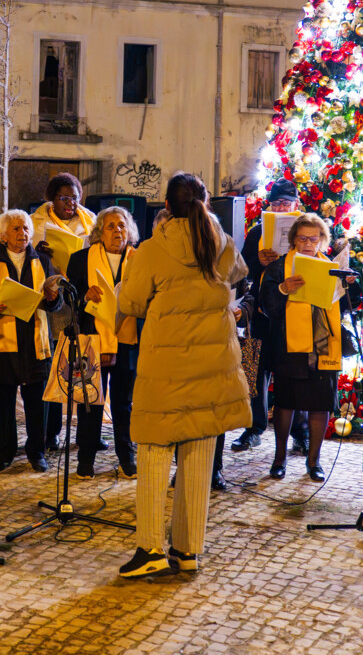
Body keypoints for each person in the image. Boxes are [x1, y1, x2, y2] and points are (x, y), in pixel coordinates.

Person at [117, 172, 249, 578]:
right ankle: (188, 549)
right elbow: (239, 273)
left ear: (166, 207)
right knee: (198, 455)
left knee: (154, 451)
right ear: (205, 203)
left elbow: (132, 302)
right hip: (213, 364)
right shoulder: (221, 242)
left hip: (166, 366)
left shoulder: (153, 248)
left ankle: (150, 548)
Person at [260, 213, 352, 482]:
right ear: (293, 240)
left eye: (314, 239)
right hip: (288, 345)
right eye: (302, 238)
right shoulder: (279, 267)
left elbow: (348, 307)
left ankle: (314, 461)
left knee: (320, 404)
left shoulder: (333, 267)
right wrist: (282, 289)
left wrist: (348, 286)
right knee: (286, 403)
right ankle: (279, 459)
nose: (308, 244)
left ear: (323, 240)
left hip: (323, 345)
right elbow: (266, 307)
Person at [0, 210, 63, 473]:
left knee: (37, 402)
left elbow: (56, 302)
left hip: (36, 341)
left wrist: (53, 299)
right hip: (3, 341)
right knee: (4, 402)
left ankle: (37, 452)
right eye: (16, 229)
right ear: (3, 235)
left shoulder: (42, 261)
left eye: (25, 228)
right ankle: (5, 451)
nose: (22, 233)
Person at [66, 207, 140, 478]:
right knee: (90, 402)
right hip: (92, 339)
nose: (117, 230)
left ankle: (126, 456)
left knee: (124, 403)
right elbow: (69, 299)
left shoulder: (140, 259)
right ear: (99, 232)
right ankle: (86, 459)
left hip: (127, 340)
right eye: (110, 226)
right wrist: (84, 296)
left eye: (122, 225)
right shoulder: (81, 259)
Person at [232, 178, 304, 455]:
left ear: (296, 204)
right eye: (275, 204)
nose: (281, 208)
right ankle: (253, 428)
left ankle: (300, 432)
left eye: (286, 203)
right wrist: (258, 263)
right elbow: (241, 271)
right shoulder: (257, 232)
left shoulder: (308, 231)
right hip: (261, 312)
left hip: (294, 312)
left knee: (295, 373)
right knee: (255, 370)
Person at [30, 173, 95, 448]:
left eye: (75, 198)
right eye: (64, 198)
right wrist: (38, 252)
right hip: (54, 299)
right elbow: (25, 254)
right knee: (57, 367)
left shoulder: (91, 221)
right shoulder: (35, 223)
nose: (70, 204)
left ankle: (86, 431)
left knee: (83, 365)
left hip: (81, 299)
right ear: (52, 199)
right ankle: (52, 431)